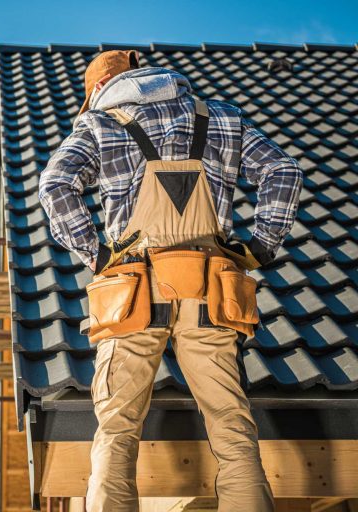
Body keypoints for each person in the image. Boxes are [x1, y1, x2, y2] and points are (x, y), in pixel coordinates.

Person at [37, 49, 304, 512]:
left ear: (99, 91)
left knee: (117, 430)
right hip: (211, 293)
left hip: (131, 293)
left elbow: (55, 186)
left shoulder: (98, 126)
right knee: (231, 427)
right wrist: (259, 246)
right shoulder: (222, 118)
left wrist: (95, 253)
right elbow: (284, 171)